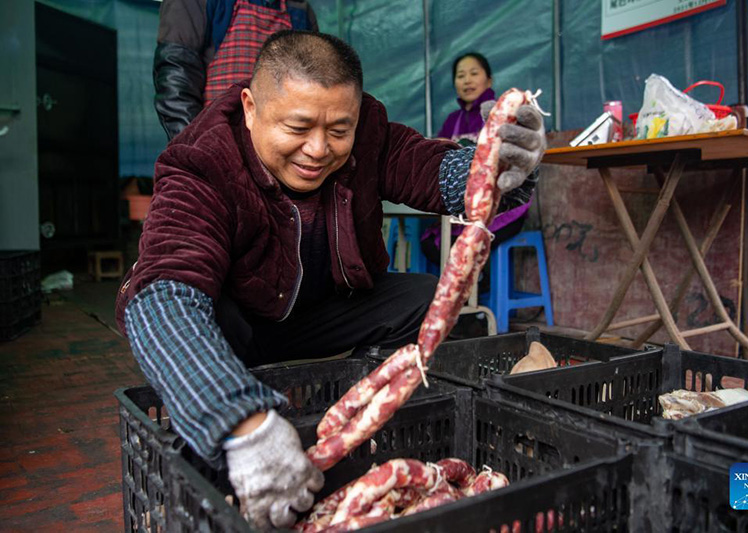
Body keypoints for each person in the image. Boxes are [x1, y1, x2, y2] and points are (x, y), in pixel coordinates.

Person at [117, 30, 546, 530]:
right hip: (239, 325)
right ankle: (249, 452)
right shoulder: (202, 161)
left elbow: (427, 166)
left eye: (338, 130)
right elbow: (161, 294)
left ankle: (352, 436)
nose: (318, 149)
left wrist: (497, 166)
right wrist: (239, 421)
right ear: (251, 107)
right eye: (297, 127)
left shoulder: (368, 133)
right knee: (198, 314)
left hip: (320, 309)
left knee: (423, 299)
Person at [423, 52, 540, 293]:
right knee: (430, 243)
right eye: (460, 75)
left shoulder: (502, 113)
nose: (467, 80)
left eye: (474, 73)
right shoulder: (451, 121)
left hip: (504, 208)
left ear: (489, 80)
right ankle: (470, 294)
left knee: (464, 244)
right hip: (462, 209)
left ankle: (473, 295)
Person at [153, 0, 318, 140]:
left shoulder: (299, 10)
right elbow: (176, 80)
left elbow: (312, 90)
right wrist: (194, 150)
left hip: (278, 150)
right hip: (215, 144)